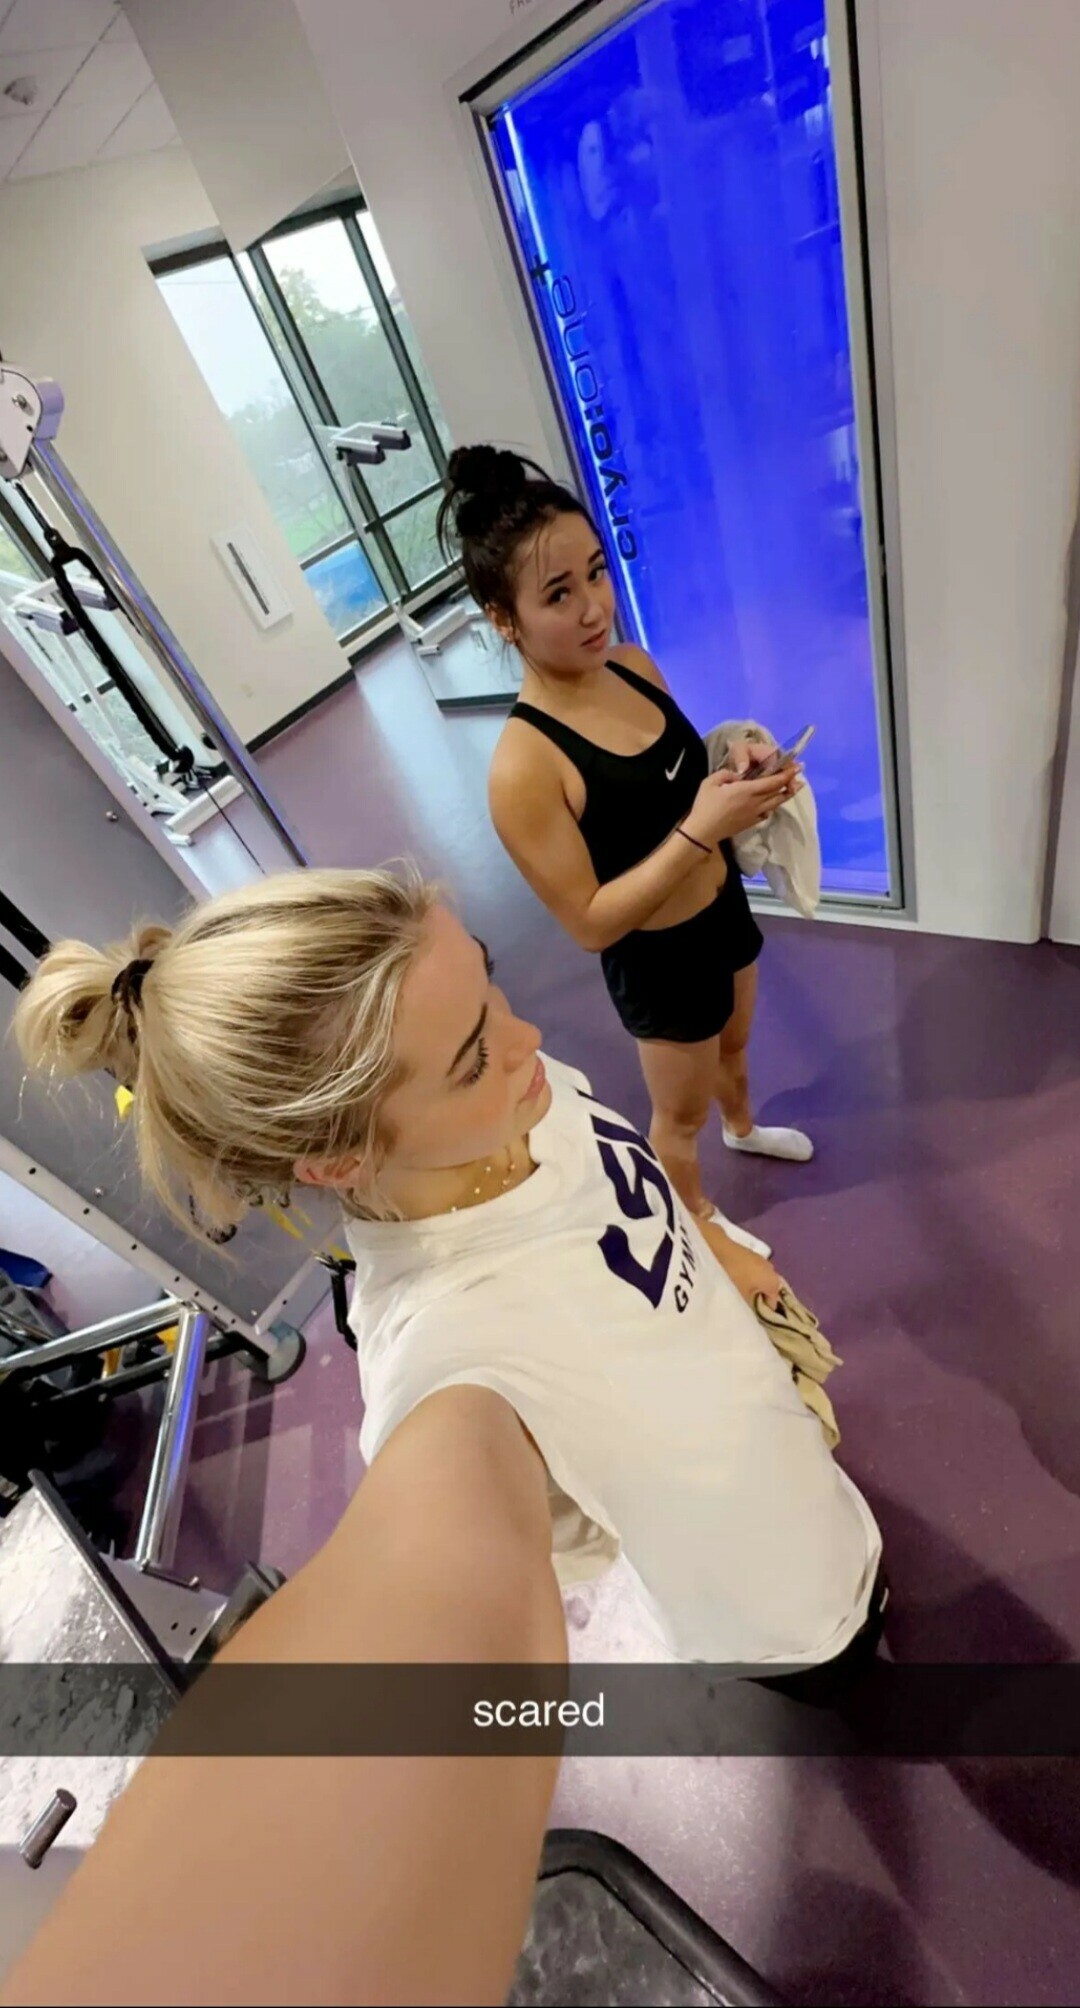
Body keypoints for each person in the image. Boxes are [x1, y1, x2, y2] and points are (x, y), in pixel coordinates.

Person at [14, 866, 881, 1682]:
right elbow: (428, 1562)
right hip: (770, 1600)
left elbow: (620, 1189)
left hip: (785, 1434)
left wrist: (719, 1251)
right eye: (471, 1057)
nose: (525, 1035)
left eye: (488, 985)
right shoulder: (445, 1354)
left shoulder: (522, 1093)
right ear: (336, 1159)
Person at [438, 445, 813, 1227]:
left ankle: (743, 1129)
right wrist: (700, 831)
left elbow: (673, 784)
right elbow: (590, 923)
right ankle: (698, 1223)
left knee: (736, 1047)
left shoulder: (634, 666)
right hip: (660, 963)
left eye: (597, 573)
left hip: (724, 911)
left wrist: (739, 770)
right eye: (559, 593)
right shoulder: (524, 767)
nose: (593, 609)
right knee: (677, 1118)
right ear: (503, 618)